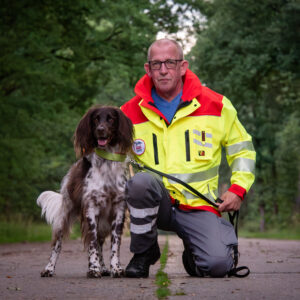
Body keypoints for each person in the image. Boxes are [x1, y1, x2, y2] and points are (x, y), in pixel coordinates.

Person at [121, 39, 255, 278]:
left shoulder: (216, 104)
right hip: (157, 205)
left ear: (183, 66)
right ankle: (144, 253)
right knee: (140, 182)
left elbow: (242, 149)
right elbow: (109, 157)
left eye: (170, 63)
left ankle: (195, 251)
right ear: (147, 69)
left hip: (199, 206)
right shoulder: (128, 113)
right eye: (156, 64)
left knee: (217, 266)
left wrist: (238, 189)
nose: (163, 70)